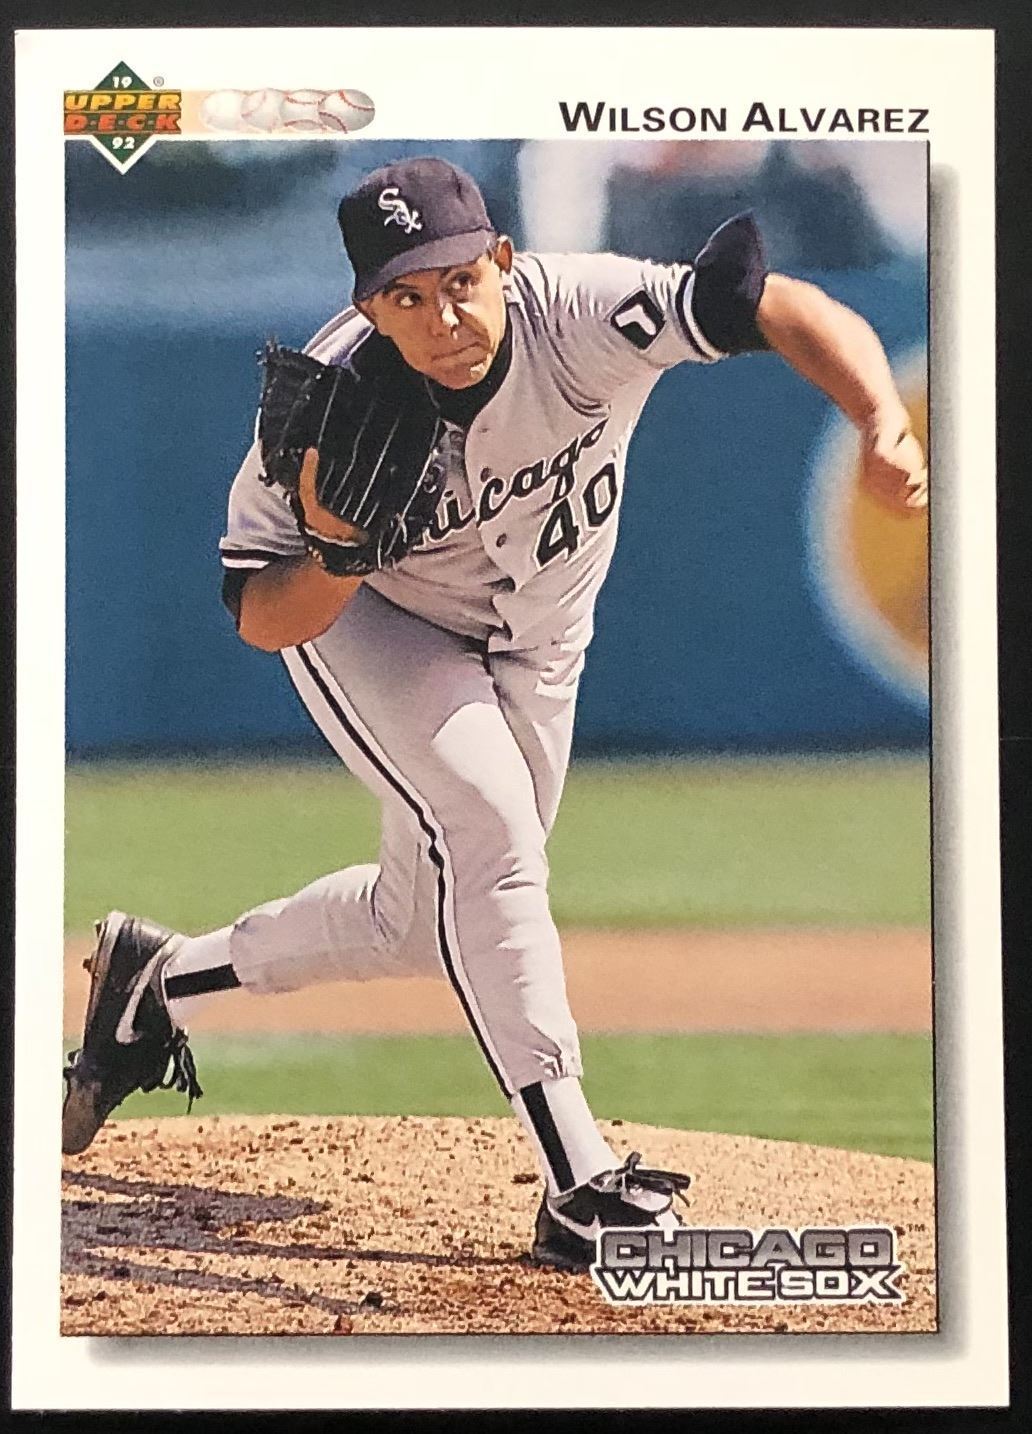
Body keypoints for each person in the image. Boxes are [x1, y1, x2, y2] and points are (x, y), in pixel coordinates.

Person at [62, 156, 927, 1271]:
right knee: (492, 835)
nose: (443, 317)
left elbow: (769, 301)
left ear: (503, 263)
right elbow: (265, 619)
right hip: (379, 626)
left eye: (460, 281)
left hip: (541, 641)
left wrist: (877, 419)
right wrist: (336, 552)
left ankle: (156, 980)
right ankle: (580, 1182)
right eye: (406, 296)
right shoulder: (330, 409)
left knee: (421, 917)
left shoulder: (582, 312)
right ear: (370, 305)